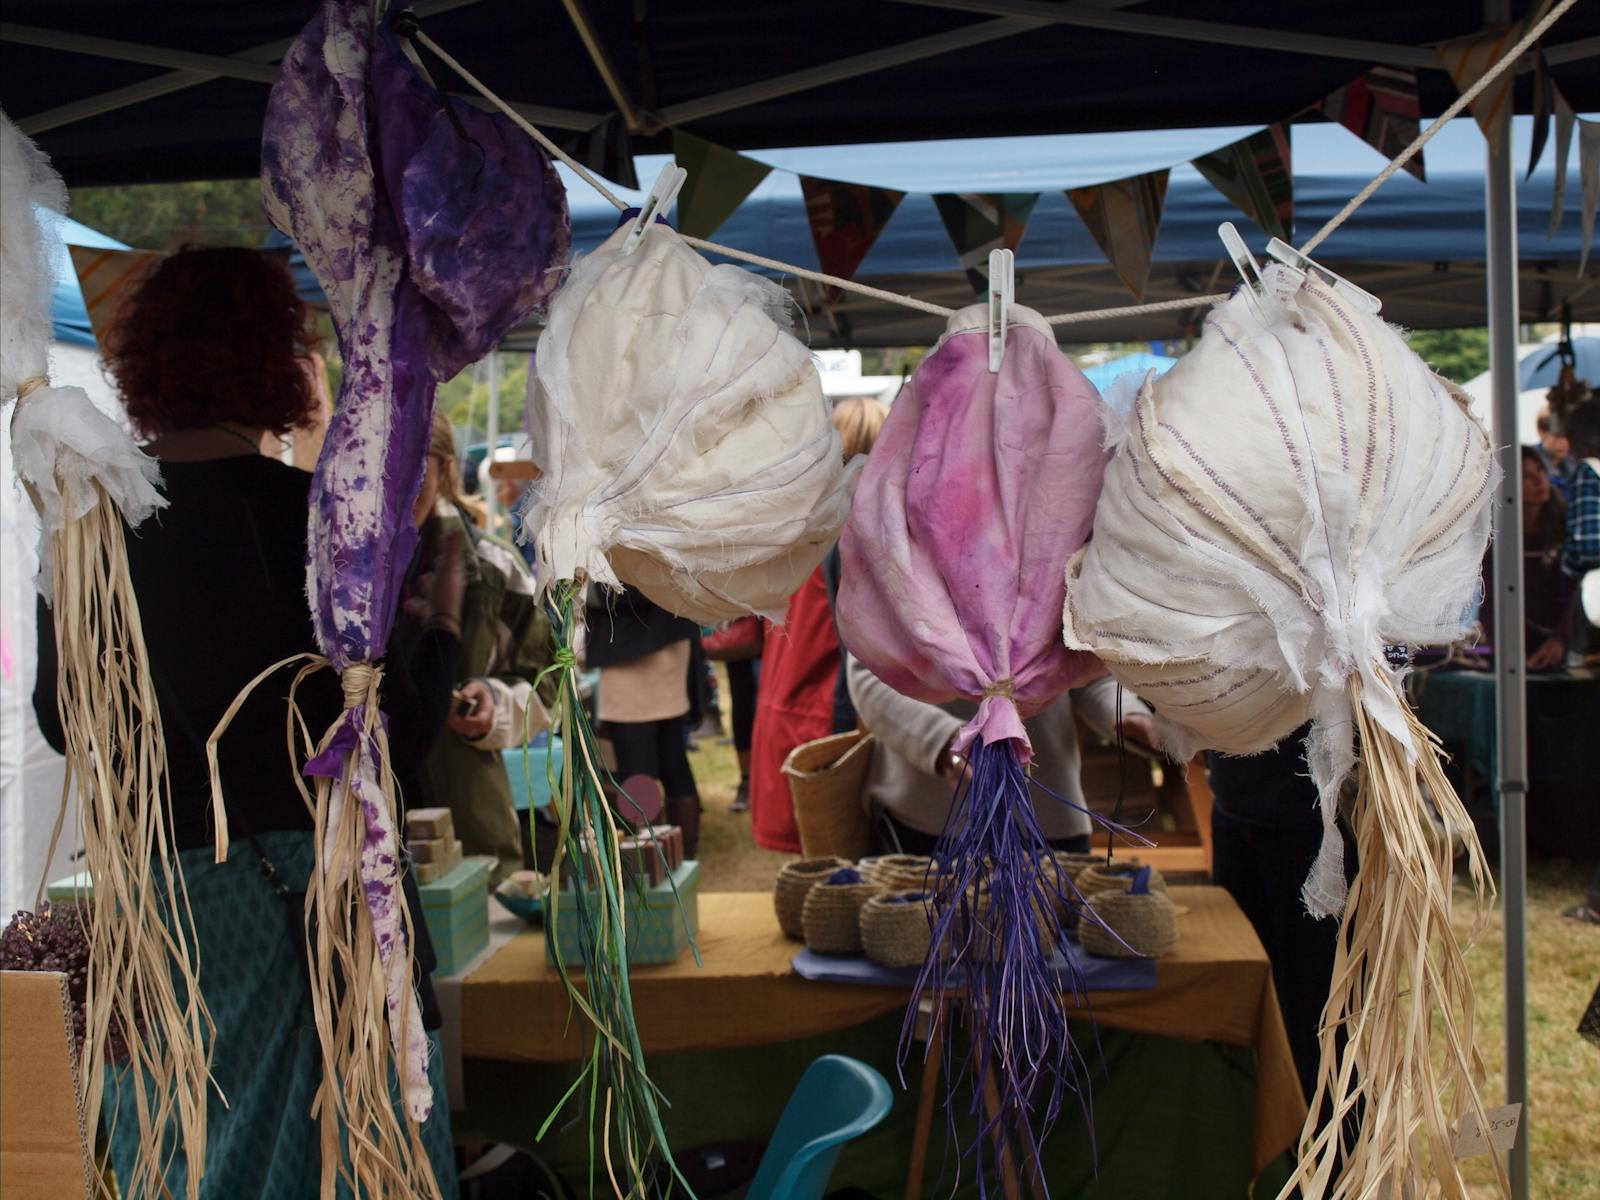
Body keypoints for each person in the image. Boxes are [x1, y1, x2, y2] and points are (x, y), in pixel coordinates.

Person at [32, 248, 460, 1197]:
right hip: (326, 887)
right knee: (350, 1146)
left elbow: (67, 724)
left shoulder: (88, 538)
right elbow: (397, 730)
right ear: (277, 362)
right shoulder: (317, 522)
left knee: (193, 1146)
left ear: (142, 368)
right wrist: (445, 624)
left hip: (167, 899)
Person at [397, 411, 554, 884]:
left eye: (414, 481)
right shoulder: (334, 570)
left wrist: (494, 704)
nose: (398, 500)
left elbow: (549, 688)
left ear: (445, 471)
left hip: (472, 836)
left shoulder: (493, 570)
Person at [748, 397, 888, 852]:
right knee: (840, 851)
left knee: (818, 856)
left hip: (792, 695)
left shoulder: (795, 516)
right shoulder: (857, 524)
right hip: (828, 703)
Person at [847, 657, 1157, 855]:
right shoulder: (898, 552)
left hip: (1047, 820)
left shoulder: (1068, 553)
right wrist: (943, 742)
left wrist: (1128, 715)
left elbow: (1089, 667)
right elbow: (867, 672)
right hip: (926, 822)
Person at [1208, 729, 1354, 1106]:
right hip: (1235, 806)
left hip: (1316, 826)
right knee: (1247, 1005)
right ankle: (1269, 1146)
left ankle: (1332, 1152)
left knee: (1321, 1017)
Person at [585, 585, 703, 856]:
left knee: (640, 765)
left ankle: (652, 863)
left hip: (637, 645)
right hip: (655, 637)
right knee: (667, 759)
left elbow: (634, 583)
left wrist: (584, 589)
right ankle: (671, 858)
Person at [1478, 446, 1573, 670]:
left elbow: (1576, 591)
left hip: (1569, 642)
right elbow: (1490, 600)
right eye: (1526, 477)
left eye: (1540, 471)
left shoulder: (1566, 525)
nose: (1539, 481)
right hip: (1519, 647)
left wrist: (1561, 638)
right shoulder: (1495, 536)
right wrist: (1504, 652)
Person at [1535, 404, 1579, 502]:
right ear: (1541, 431)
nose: (1564, 442)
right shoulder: (1531, 463)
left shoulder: (1573, 463)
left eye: (1567, 435)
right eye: (1557, 435)